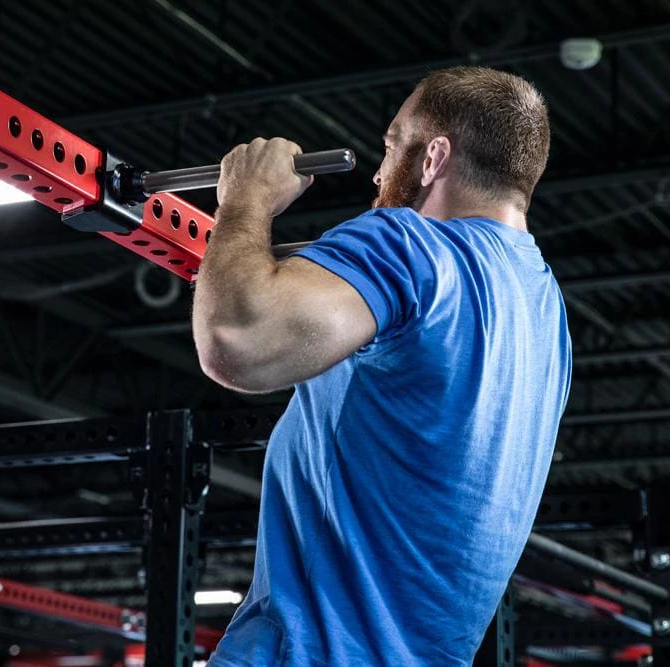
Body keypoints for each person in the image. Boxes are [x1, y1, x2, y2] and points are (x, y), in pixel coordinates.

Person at [193, 65, 572, 666]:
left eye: (392, 144)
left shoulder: (413, 243)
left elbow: (235, 341)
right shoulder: (544, 311)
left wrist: (246, 200)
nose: (377, 171)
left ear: (433, 158)